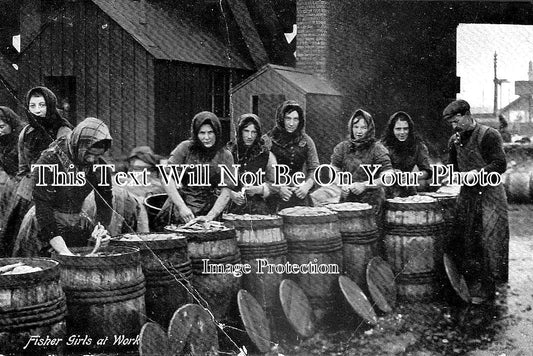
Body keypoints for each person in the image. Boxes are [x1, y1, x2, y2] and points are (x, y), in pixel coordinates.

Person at [443, 99, 509, 303]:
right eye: (451, 124)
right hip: (468, 195)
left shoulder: (489, 135)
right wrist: (450, 176)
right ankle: (467, 285)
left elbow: (500, 164)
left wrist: (478, 173)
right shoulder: (454, 140)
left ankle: (487, 290)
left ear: (466, 115)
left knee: (489, 240)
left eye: (456, 121)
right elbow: (453, 167)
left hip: (490, 194)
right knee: (464, 238)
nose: (454, 127)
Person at [0, 87, 72, 256]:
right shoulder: (26, 132)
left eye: (42, 104)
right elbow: (23, 167)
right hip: (28, 191)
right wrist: (23, 188)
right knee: (19, 234)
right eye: (32, 106)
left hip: (54, 190)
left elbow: (69, 168)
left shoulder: (64, 131)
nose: (37, 110)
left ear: (51, 105)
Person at [27, 117, 113, 256]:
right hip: (44, 225)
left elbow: (105, 203)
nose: (91, 159)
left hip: (75, 221)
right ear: (78, 144)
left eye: (97, 155)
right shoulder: (48, 162)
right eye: (89, 153)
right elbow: (43, 210)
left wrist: (101, 229)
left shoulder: (100, 167)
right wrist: (63, 251)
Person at [155, 111, 234, 228]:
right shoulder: (185, 148)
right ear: (196, 133)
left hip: (210, 208)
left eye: (210, 132)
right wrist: (182, 207)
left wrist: (210, 216)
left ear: (217, 132)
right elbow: (166, 177)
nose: (206, 137)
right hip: (181, 207)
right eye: (202, 133)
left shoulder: (225, 155)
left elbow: (226, 191)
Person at [330, 109, 393, 223]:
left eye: (363, 127)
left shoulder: (377, 149)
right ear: (351, 128)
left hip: (372, 201)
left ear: (369, 129)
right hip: (348, 199)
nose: (359, 131)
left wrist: (364, 185)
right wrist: (341, 184)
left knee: (368, 235)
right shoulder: (342, 147)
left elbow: (388, 177)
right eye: (356, 127)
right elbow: (334, 169)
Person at [264, 100, 319, 211]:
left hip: (299, 195)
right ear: (281, 119)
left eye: (295, 119)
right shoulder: (267, 140)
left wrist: (306, 187)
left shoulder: (306, 141)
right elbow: (259, 170)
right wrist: (278, 188)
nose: (291, 123)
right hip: (274, 197)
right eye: (288, 118)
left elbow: (314, 168)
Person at [227, 113, 277, 215]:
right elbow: (216, 183)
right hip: (231, 209)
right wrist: (231, 194)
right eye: (246, 131)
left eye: (253, 132)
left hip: (259, 210)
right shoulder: (228, 154)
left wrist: (260, 189)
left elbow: (275, 184)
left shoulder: (266, 155)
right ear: (240, 131)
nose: (249, 136)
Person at [380, 111, 432, 197]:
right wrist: (392, 173)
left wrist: (410, 176)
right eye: (398, 129)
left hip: (407, 190)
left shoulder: (418, 146)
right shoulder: (381, 146)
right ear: (392, 129)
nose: (402, 132)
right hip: (385, 190)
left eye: (405, 128)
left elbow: (427, 171)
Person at [0, 106, 23, 256]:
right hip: (10, 184)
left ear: (11, 124)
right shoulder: (2, 142)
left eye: (2, 126)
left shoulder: (22, 138)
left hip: (24, 185)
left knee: (15, 224)